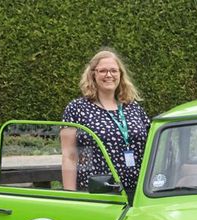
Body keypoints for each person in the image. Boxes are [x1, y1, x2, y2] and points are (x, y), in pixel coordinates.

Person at [61, 49, 150, 193]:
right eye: (103, 71)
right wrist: (70, 195)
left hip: (138, 189)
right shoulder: (76, 108)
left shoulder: (133, 107)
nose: (109, 75)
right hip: (98, 191)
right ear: (93, 74)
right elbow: (69, 156)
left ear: (120, 74)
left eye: (114, 70)